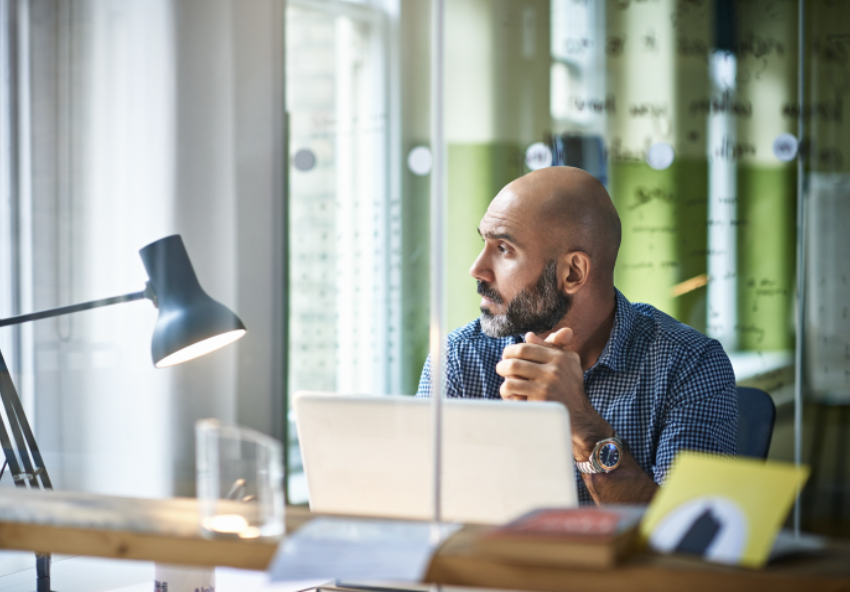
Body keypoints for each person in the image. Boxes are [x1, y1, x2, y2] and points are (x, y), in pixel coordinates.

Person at [416, 166, 737, 505]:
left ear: (572, 272)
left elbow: (688, 538)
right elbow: (416, 508)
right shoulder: (459, 358)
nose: (477, 269)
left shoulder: (691, 366)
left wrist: (582, 425)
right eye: (484, 242)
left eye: (504, 249)